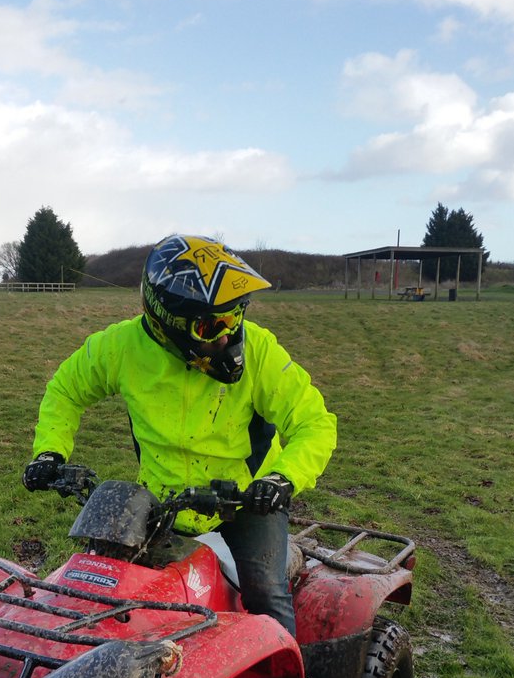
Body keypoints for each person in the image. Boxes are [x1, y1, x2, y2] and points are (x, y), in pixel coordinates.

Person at [23, 234, 337, 636]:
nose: (227, 336)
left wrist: (281, 479)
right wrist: (50, 451)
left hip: (246, 501)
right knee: (104, 591)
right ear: (165, 321)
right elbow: (66, 388)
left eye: (235, 316)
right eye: (211, 326)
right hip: (158, 500)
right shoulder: (122, 347)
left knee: (265, 595)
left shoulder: (259, 351)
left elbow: (315, 422)